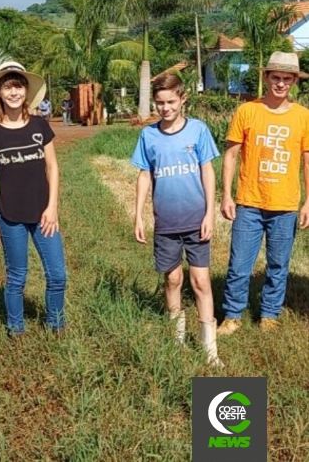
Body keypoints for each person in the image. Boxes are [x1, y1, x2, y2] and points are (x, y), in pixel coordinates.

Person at [132, 72, 222, 367]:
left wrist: (209, 212)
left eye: (171, 101)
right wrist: (138, 215)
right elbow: (145, 175)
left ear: (183, 99)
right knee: (172, 279)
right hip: (166, 223)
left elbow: (208, 171)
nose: (166, 108)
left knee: (201, 282)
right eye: (160, 103)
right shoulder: (148, 135)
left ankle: (210, 351)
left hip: (197, 221)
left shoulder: (198, 130)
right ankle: (177, 341)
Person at [218, 52, 309, 335]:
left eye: (286, 79)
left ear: (294, 81)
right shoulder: (247, 111)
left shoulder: (303, 116)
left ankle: (269, 314)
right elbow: (231, 156)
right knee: (239, 265)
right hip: (249, 202)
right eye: (276, 77)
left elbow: (307, 161)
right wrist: (226, 195)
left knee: (278, 265)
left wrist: (308, 201)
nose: (280, 84)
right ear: (266, 77)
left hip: (285, 204)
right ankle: (232, 316)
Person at [0, 61, 66, 336]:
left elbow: (52, 167)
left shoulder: (40, 126)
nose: (13, 92)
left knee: (58, 275)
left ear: (26, 91)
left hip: (43, 215)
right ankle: (15, 329)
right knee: (17, 277)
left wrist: (52, 207)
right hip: (10, 217)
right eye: (7, 86)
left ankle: (56, 324)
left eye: (18, 86)